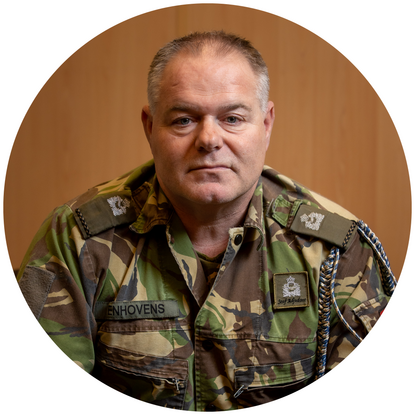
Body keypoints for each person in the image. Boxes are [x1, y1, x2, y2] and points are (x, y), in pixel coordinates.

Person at [16, 31, 396, 411]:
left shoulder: (338, 251)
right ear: (150, 127)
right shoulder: (77, 239)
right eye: (184, 120)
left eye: (232, 118)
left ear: (266, 124)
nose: (209, 139)